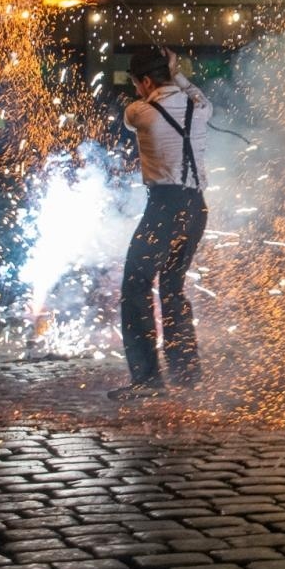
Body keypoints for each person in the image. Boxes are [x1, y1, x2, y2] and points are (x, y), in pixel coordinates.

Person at [108, 46, 211, 401]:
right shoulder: (199, 108)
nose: (137, 90)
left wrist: (161, 80)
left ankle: (148, 379)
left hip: (164, 209)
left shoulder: (140, 112)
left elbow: (129, 119)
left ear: (146, 81)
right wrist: (176, 72)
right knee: (172, 286)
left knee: (135, 288)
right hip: (196, 208)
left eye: (138, 83)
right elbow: (193, 93)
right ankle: (186, 373)